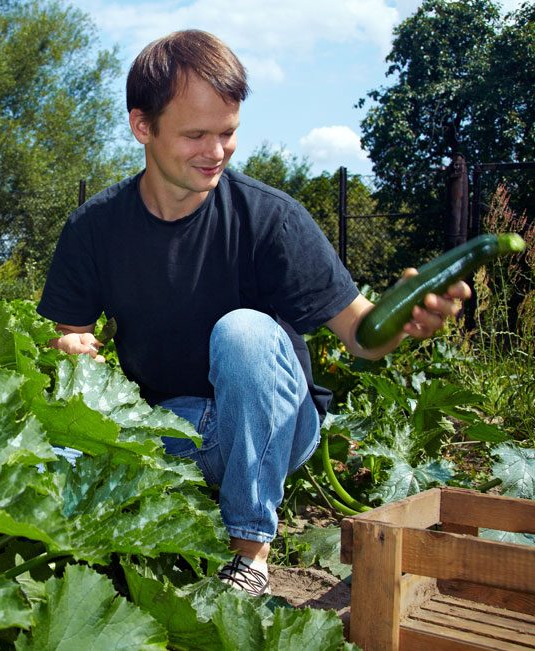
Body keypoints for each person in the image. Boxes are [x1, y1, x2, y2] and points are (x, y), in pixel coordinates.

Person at [36, 29, 470, 597]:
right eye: (195, 135)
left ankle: (249, 552)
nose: (215, 152)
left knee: (244, 331)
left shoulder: (272, 218)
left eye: (228, 133)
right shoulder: (93, 229)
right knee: (62, 445)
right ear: (143, 126)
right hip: (172, 427)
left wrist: (405, 317)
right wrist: (71, 346)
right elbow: (71, 335)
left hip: (278, 424)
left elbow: (362, 337)